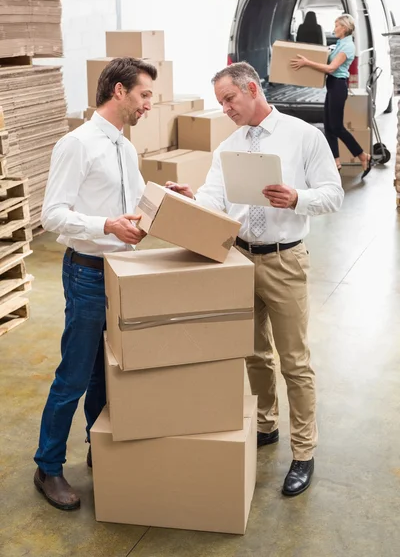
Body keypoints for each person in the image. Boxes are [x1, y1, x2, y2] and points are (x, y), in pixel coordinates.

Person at [166, 62, 344, 497]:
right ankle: (266, 424)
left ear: (251, 89)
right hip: (240, 258)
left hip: (285, 262)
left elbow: (333, 193)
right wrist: (193, 197)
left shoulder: (303, 136)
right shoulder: (229, 145)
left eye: (230, 99)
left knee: (294, 362)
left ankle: (304, 452)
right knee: (253, 352)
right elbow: (215, 198)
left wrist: (297, 197)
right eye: (220, 102)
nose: (225, 108)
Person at [33, 57, 157, 510]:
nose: (149, 104)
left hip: (122, 273)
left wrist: (168, 197)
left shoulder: (125, 147)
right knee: (75, 376)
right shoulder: (77, 144)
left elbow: (135, 200)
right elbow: (52, 215)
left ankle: (97, 448)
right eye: (144, 95)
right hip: (86, 271)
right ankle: (47, 466)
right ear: (119, 91)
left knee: (109, 373)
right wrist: (107, 225)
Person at [291, 14, 372, 177]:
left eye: (337, 26)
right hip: (332, 86)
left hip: (338, 86)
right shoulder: (339, 44)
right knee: (328, 126)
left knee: (337, 127)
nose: (334, 29)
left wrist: (307, 63)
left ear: (345, 27)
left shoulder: (348, 46)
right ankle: (336, 162)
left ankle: (363, 155)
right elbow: (326, 59)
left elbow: (330, 68)